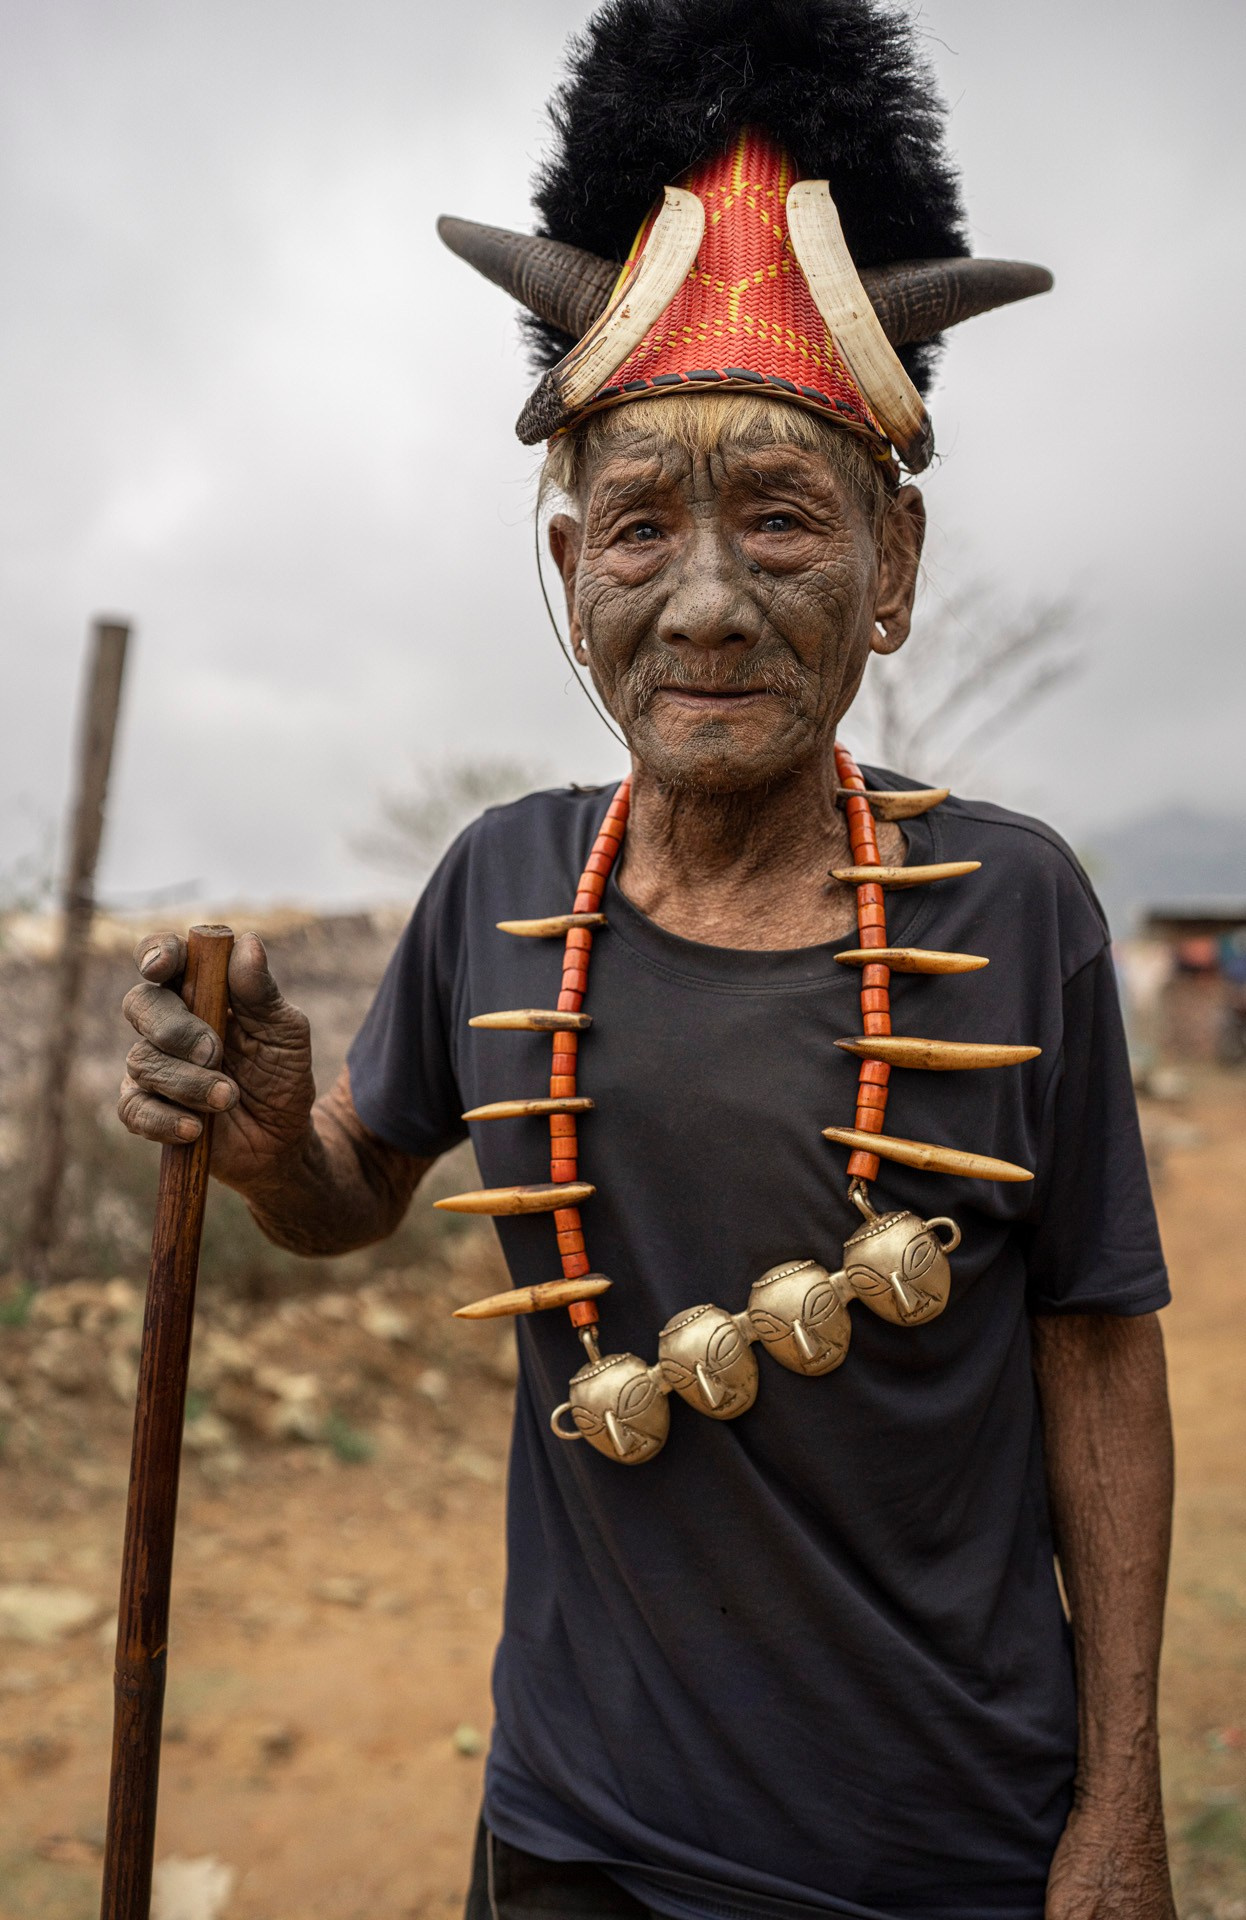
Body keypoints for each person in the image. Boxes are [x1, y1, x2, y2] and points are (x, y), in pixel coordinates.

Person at [116, 3, 1176, 1915]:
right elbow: (352, 1189)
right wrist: (275, 1141)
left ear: (893, 568)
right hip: (575, 1828)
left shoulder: (1019, 912)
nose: (703, 600)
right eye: (636, 526)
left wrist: (1119, 1806)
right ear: (566, 560)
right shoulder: (496, 880)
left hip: (945, 1837)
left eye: (780, 518)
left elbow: (1097, 1351)